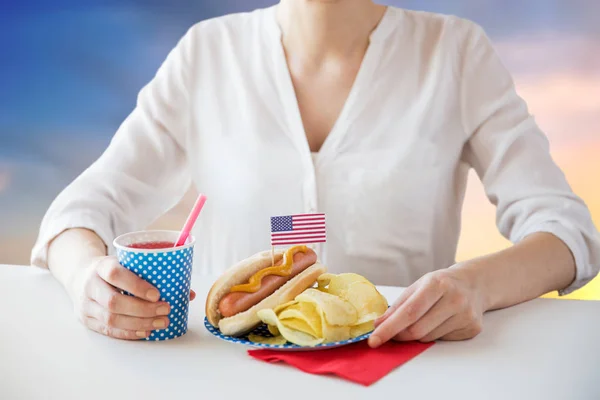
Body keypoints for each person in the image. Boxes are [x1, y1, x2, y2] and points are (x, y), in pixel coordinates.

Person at [32, 0, 600, 347]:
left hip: (405, 375)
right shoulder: (207, 53)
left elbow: (569, 235)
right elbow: (80, 211)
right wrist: (88, 281)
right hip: (224, 379)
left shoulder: (453, 52)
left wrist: (474, 285)